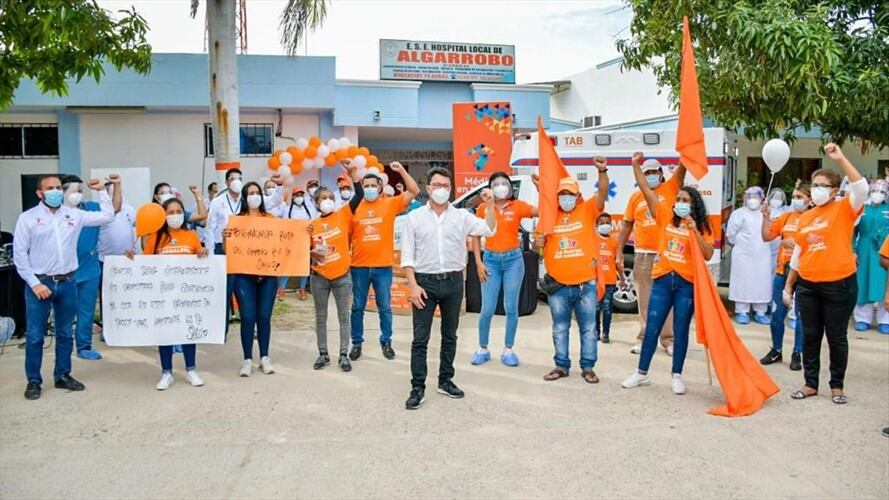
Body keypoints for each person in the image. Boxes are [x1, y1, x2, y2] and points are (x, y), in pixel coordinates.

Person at [14, 174, 116, 400]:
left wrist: (101, 191)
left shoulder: (74, 215)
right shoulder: (28, 218)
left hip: (68, 281)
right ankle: (34, 380)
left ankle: (62, 375)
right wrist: (35, 283)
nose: (56, 192)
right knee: (35, 336)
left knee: (64, 333)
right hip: (40, 283)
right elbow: (19, 255)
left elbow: (108, 216)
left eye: (58, 188)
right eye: (50, 188)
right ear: (39, 193)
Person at [401, 167, 496, 410]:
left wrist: (490, 205)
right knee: (420, 338)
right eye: (437, 185)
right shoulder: (414, 218)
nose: (441, 189)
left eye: (445, 186)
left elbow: (488, 229)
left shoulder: (461, 216)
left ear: (450, 189)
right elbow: (407, 256)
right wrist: (413, 286)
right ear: (428, 188)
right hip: (424, 283)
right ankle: (417, 387)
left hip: (453, 282)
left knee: (450, 335)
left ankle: (445, 380)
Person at [621, 152, 715, 395]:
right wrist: (635, 166)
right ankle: (641, 373)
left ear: (694, 205)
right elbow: (645, 189)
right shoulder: (664, 215)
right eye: (678, 199)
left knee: (681, 330)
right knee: (652, 326)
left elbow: (708, 254)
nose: (680, 202)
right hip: (662, 280)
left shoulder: (702, 225)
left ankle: (677, 375)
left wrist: (694, 231)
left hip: (686, 284)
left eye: (685, 200)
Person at [784, 143, 867, 404]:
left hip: (839, 284)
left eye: (823, 185)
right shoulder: (806, 217)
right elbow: (799, 254)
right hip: (808, 285)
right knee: (810, 335)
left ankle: (837, 386)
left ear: (834, 190)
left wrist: (840, 158)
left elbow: (861, 188)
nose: (817, 189)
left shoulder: (845, 208)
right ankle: (810, 384)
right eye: (814, 185)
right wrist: (789, 286)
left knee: (836, 336)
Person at [536, 158, 609, 384]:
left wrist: (602, 171)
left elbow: (602, 194)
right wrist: (537, 244)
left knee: (589, 329)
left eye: (570, 194)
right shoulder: (548, 215)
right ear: (557, 196)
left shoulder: (587, 210)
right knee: (560, 328)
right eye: (562, 194)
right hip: (558, 286)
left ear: (578, 197)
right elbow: (538, 250)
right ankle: (561, 365)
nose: (566, 198)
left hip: (585, 285)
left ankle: (588, 367)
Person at [132, 197, 209, 390]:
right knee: (164, 332)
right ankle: (166, 372)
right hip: (163, 295)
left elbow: (200, 257)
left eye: (178, 212)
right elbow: (145, 263)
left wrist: (203, 253)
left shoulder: (191, 235)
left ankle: (191, 369)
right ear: (163, 216)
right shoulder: (156, 237)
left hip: (186, 294)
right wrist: (129, 259)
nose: (175, 216)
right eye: (170, 212)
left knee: (189, 330)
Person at [348, 161, 419, 361]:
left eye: (373, 185)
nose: (370, 188)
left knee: (385, 307)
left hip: (382, 267)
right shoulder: (355, 206)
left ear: (380, 188)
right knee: (357, 307)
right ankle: (356, 343)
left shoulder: (389, 203)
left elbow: (414, 191)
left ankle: (386, 341)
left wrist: (401, 170)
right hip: (359, 267)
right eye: (366, 185)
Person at [617, 158, 687, 355]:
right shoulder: (635, 197)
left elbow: (682, 169)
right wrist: (619, 251)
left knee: (668, 298)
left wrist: (686, 153)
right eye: (647, 173)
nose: (651, 176)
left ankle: (669, 340)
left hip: (667, 254)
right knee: (644, 300)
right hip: (643, 254)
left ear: (661, 173)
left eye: (654, 172)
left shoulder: (671, 188)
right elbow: (627, 225)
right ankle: (644, 339)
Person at [470, 171, 537, 367]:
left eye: (504, 183)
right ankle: (483, 348)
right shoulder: (483, 208)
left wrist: (540, 187)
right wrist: (478, 262)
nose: (500, 186)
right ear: (490, 188)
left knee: (511, 307)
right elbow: (475, 236)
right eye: (496, 184)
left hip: (513, 260)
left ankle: (508, 349)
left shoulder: (518, 206)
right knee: (487, 308)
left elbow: (543, 211)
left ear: (509, 187)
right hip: (490, 260)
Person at [208, 169, 283, 328]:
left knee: (250, 293)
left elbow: (275, 200)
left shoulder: (251, 199)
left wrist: (279, 185)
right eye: (232, 178)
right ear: (226, 182)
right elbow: (210, 227)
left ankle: (251, 324)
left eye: (239, 178)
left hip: (250, 252)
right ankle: (223, 329)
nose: (236, 181)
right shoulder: (218, 201)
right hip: (223, 248)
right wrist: (211, 252)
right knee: (225, 290)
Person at [310, 161, 364, 371]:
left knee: (344, 317)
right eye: (323, 198)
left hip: (342, 275)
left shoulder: (343, 214)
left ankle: (343, 354)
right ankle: (323, 354)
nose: (328, 201)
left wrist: (353, 175)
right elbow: (303, 251)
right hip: (319, 277)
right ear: (316, 204)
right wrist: (310, 253)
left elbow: (359, 195)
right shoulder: (311, 225)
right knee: (321, 317)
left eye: (330, 198)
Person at [60, 175, 121, 361]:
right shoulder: (56, 214)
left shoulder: (90, 209)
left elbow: (114, 209)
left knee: (86, 311)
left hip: (90, 269)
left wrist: (112, 186)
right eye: (74, 191)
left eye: (81, 191)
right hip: (65, 272)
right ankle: (63, 349)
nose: (78, 194)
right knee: (65, 313)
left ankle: (83, 346)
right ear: (63, 192)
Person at [226, 181, 280, 377]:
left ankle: (264, 357)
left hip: (268, 275)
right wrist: (226, 236)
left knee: (264, 317)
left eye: (257, 192)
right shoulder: (237, 221)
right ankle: (247, 359)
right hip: (244, 276)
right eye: (250, 193)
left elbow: (284, 240)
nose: (254, 196)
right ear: (244, 197)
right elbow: (227, 249)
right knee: (248, 317)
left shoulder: (270, 219)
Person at [759, 184, 811, 370]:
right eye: (794, 196)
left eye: (800, 197)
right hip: (783, 271)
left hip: (804, 273)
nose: (795, 200)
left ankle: (798, 353)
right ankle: (776, 350)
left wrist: (797, 243)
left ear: (810, 199)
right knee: (776, 314)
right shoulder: (786, 216)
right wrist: (765, 217)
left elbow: (819, 243)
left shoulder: (814, 218)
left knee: (801, 317)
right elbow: (766, 236)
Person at [726, 186, 772, 324]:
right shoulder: (738, 214)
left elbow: (772, 232)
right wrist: (741, 244)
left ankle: (760, 311)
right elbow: (730, 234)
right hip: (743, 254)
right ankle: (742, 311)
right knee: (742, 280)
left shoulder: (767, 213)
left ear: (762, 198)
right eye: (750, 196)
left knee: (761, 281)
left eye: (756, 197)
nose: (752, 200)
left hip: (762, 254)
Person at [852, 179, 889, 333]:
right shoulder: (862, 209)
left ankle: (885, 319)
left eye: (881, 191)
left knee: (883, 283)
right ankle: (862, 318)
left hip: (884, 250)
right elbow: (852, 231)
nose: (877, 194)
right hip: (864, 249)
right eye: (874, 191)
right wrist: (853, 250)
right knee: (863, 282)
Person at [278, 186, 313, 302]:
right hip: (291, 242)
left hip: (304, 242)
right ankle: (282, 289)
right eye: (297, 195)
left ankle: (302, 289)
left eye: (301, 195)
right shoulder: (287, 209)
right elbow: (284, 225)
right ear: (293, 197)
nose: (299, 197)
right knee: (288, 265)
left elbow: (312, 224)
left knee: (304, 266)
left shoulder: (309, 209)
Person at [595, 212, 624, 344]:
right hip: (596, 281)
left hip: (610, 281)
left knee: (607, 308)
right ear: (596, 225)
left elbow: (618, 263)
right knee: (596, 308)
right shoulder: (593, 240)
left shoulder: (614, 242)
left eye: (607, 223)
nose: (605, 225)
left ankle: (605, 333)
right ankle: (596, 332)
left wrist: (622, 279)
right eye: (602, 223)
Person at [766, 188, 790, 275]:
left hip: (779, 243)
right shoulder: (765, 210)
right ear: (770, 198)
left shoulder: (785, 210)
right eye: (775, 197)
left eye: (779, 198)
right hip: (766, 242)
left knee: (776, 266)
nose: (777, 200)